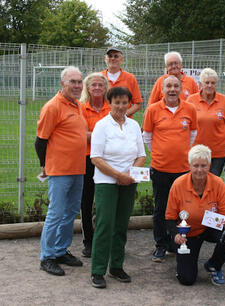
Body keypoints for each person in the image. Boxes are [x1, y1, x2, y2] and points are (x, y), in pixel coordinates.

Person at [89, 87, 146, 289]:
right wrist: (118, 175)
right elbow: (95, 157)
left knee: (121, 225)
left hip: (129, 182)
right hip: (106, 182)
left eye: (124, 103)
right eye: (117, 102)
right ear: (109, 103)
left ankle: (116, 266)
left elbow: (141, 155)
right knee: (105, 225)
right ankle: (97, 270)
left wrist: (129, 175)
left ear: (129, 104)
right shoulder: (101, 126)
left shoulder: (133, 125)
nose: (121, 106)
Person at [35, 66, 86, 276]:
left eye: (79, 82)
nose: (76, 86)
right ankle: (47, 257)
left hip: (78, 169)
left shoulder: (78, 106)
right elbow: (40, 141)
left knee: (71, 212)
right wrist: (44, 166)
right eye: (72, 82)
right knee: (56, 213)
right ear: (62, 84)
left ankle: (60, 250)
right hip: (60, 170)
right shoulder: (53, 107)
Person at [142, 75, 198, 262]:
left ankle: (177, 242)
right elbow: (147, 137)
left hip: (183, 169)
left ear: (181, 88)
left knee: (182, 208)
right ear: (162, 90)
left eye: (175, 86)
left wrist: (181, 152)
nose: (172, 89)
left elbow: (192, 134)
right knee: (161, 208)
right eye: (168, 86)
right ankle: (161, 244)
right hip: (160, 168)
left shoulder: (189, 109)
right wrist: (160, 153)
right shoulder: (152, 110)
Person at [166, 145, 225, 286]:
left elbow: (224, 214)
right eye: (196, 165)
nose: (199, 170)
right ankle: (182, 261)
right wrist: (176, 235)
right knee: (187, 279)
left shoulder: (218, 183)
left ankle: (214, 265)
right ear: (190, 165)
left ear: (210, 165)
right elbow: (169, 218)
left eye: (204, 165)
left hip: (209, 228)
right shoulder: (178, 184)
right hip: (187, 234)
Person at [78, 72, 110, 258]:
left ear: (106, 88)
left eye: (100, 85)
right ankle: (88, 241)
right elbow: (81, 134)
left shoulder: (111, 108)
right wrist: (104, 136)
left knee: (105, 201)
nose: (97, 88)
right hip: (87, 159)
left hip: (107, 160)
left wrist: (93, 135)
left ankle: (103, 238)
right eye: (93, 85)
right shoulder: (81, 108)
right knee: (86, 201)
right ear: (87, 88)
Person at [186, 68, 225, 176]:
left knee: (213, 182)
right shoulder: (191, 100)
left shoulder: (224, 100)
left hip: (218, 152)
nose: (210, 85)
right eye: (207, 82)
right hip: (196, 151)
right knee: (196, 181)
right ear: (200, 84)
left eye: (213, 83)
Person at [101, 47, 143, 117]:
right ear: (105, 58)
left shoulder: (130, 78)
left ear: (122, 59)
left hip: (124, 123)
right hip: (103, 120)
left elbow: (137, 104)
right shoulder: (99, 77)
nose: (113, 58)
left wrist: (123, 115)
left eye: (116, 56)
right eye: (110, 56)